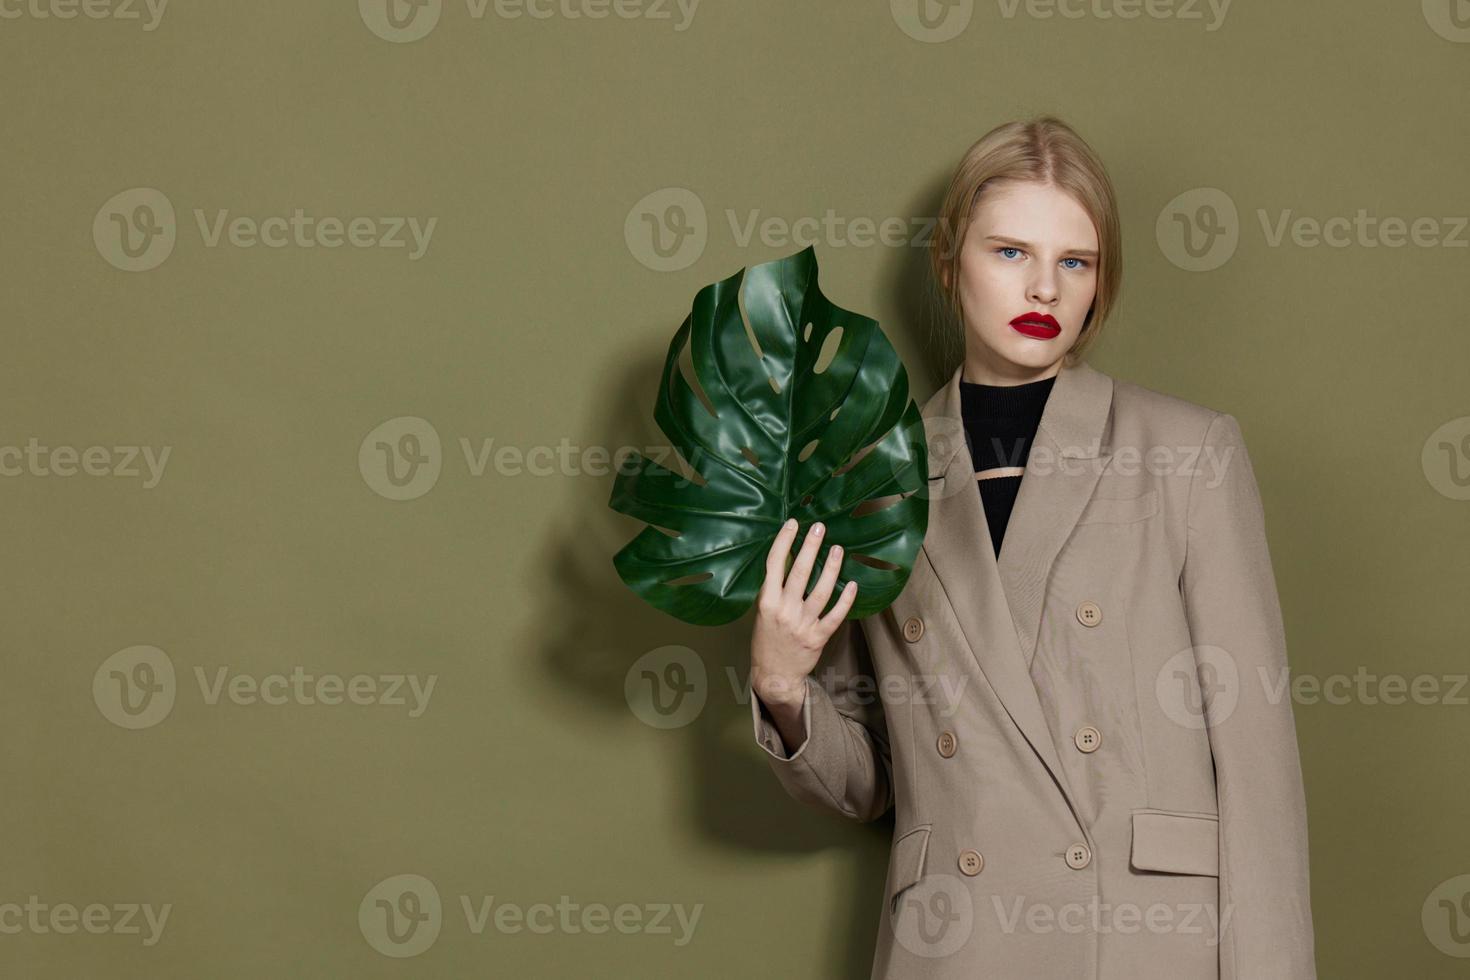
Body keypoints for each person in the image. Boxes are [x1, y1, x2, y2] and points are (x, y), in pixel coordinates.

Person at [748, 116, 1317, 979]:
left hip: (1144, 940)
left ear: (1100, 281)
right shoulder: (865, 480)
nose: (1044, 288)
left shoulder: (1187, 452)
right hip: (959, 941)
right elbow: (867, 781)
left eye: (1074, 261)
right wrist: (782, 685)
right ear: (950, 263)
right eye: (1010, 252)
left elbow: (1259, 771)